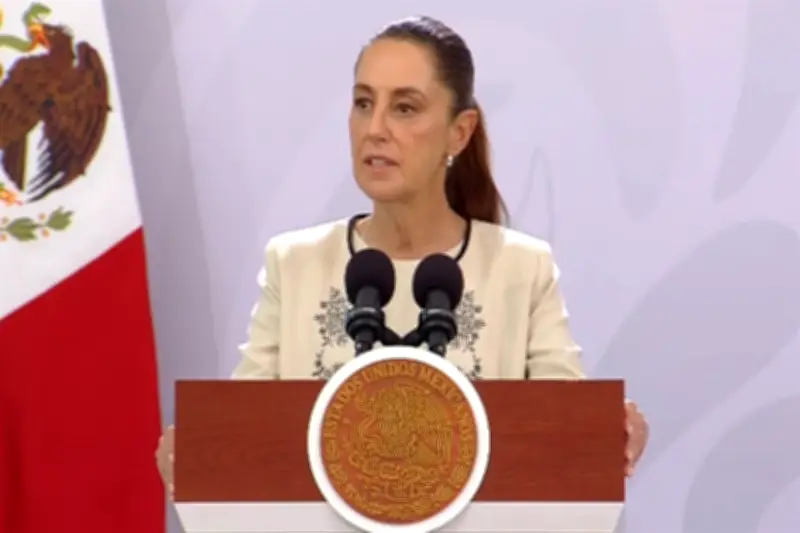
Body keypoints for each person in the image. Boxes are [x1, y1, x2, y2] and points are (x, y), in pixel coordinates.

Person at [155, 15, 648, 496]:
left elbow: (567, 435)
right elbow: (243, 436)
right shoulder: (295, 264)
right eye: (363, 103)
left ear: (459, 132)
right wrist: (196, 452)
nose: (375, 128)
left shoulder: (521, 268)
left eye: (405, 108)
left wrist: (612, 434)